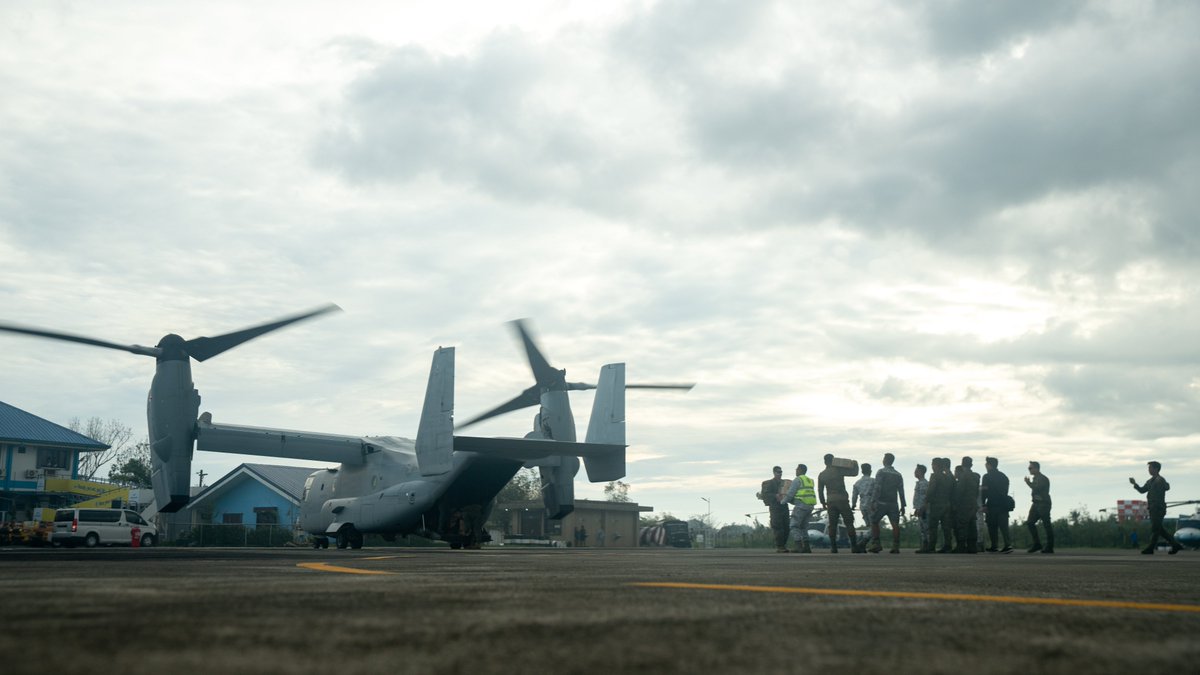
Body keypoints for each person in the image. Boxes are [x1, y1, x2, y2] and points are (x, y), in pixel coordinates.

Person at [1130, 461, 1182, 555]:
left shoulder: (1160, 480)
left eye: (1150, 468)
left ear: (1156, 469)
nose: (1149, 470)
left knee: (1155, 529)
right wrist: (1135, 484)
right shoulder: (1150, 481)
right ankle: (1175, 545)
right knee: (1159, 529)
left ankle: (1150, 548)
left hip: (1158, 508)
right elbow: (1142, 490)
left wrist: (1162, 483)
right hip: (1152, 508)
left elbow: (1167, 487)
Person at [818, 454, 860, 553]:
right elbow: (854, 473)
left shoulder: (822, 474)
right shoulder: (838, 470)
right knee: (849, 522)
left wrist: (823, 502)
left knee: (832, 524)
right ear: (833, 461)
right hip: (842, 499)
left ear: (825, 462)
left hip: (830, 501)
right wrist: (856, 464)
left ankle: (833, 548)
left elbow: (820, 491)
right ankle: (854, 547)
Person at [870, 453, 906, 554]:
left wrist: (873, 501)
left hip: (881, 502)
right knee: (895, 524)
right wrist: (903, 505)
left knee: (874, 521)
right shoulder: (898, 475)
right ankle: (896, 546)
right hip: (893, 503)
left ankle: (876, 544)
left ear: (885, 460)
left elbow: (877, 487)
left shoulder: (881, 472)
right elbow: (901, 491)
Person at [980, 457, 1013, 553]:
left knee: (992, 526)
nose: (985, 465)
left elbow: (984, 492)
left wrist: (983, 504)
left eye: (986, 464)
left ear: (989, 465)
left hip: (992, 504)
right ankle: (1008, 544)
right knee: (1004, 526)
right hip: (1003, 504)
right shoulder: (1003, 476)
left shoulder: (986, 476)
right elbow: (1005, 491)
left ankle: (994, 546)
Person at [783, 463, 817, 553]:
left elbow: (790, 494)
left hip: (801, 505)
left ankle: (798, 546)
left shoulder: (797, 480)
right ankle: (807, 546)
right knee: (803, 526)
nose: (796, 470)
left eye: (797, 469)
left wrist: (783, 502)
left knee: (794, 525)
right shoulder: (810, 480)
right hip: (810, 506)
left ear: (800, 470)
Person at [1024, 461, 1054, 553]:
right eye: (1029, 468)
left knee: (1046, 524)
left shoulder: (1042, 478)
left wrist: (1028, 483)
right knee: (1030, 522)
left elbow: (1037, 488)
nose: (1029, 470)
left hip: (1043, 504)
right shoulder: (1036, 478)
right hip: (1036, 504)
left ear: (1036, 468)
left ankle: (1049, 546)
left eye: (1030, 468)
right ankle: (1037, 544)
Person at [926, 458, 954, 553]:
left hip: (936, 504)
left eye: (933, 464)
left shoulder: (934, 476)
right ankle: (948, 546)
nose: (932, 466)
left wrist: (926, 501)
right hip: (947, 504)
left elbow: (931, 490)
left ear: (936, 465)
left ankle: (931, 546)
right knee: (946, 527)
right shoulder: (948, 477)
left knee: (933, 526)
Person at [952, 457, 980, 553]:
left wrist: (955, 503)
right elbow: (976, 492)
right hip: (973, 503)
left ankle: (961, 546)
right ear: (971, 465)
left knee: (962, 525)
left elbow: (960, 491)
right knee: (972, 525)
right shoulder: (975, 476)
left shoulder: (963, 476)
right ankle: (972, 546)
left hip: (964, 504)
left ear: (962, 464)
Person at [761, 466, 790, 552]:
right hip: (775, 507)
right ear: (774, 473)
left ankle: (783, 545)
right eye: (778, 472)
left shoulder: (784, 483)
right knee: (778, 526)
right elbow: (765, 495)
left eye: (781, 472)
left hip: (784, 506)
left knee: (786, 527)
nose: (780, 474)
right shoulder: (769, 483)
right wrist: (775, 496)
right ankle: (780, 546)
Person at [852, 463, 875, 548]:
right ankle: (863, 542)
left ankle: (868, 543)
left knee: (870, 526)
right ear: (870, 471)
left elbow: (854, 496)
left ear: (862, 471)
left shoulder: (857, 483)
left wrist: (853, 505)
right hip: (872, 505)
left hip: (862, 506)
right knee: (874, 526)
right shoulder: (874, 481)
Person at [912, 464, 930, 553]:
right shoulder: (920, 483)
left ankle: (927, 546)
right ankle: (924, 546)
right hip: (920, 508)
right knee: (922, 529)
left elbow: (924, 498)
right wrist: (916, 508)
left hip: (924, 510)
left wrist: (922, 508)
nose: (915, 472)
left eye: (916, 471)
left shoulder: (923, 483)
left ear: (921, 472)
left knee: (925, 528)